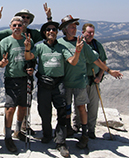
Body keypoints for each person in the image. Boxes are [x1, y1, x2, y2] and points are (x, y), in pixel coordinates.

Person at [57, 15, 123, 149]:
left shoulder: (81, 42)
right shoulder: (61, 43)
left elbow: (95, 60)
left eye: (75, 26)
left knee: (81, 107)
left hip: (80, 81)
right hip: (66, 81)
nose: (74, 29)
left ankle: (85, 134)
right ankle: (68, 129)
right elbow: (71, 61)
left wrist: (109, 71)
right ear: (64, 29)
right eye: (71, 27)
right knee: (67, 109)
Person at [24, 21, 86, 157]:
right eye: (48, 30)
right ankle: (47, 134)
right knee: (44, 111)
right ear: (45, 33)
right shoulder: (40, 47)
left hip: (59, 84)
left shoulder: (62, 47)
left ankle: (61, 142)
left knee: (62, 112)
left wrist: (78, 51)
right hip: (44, 84)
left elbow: (73, 61)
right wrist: (27, 49)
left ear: (57, 32)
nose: (51, 31)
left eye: (53, 30)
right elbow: (28, 57)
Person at [0, 16, 34, 152]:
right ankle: (8, 136)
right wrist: (3, 63)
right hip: (11, 79)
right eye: (14, 25)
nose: (17, 27)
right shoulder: (5, 42)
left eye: (20, 25)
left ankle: (18, 131)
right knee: (10, 108)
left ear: (23, 27)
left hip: (25, 78)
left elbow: (31, 58)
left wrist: (31, 67)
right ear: (10, 26)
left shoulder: (28, 41)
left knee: (23, 107)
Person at [73, 23, 108, 139]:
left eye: (92, 32)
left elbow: (103, 62)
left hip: (93, 80)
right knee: (79, 105)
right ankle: (76, 125)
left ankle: (91, 129)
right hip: (80, 80)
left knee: (93, 106)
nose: (91, 34)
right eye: (88, 32)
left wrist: (100, 76)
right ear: (83, 32)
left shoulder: (97, 45)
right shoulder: (78, 43)